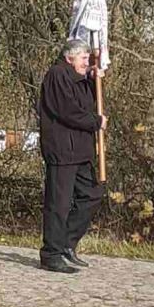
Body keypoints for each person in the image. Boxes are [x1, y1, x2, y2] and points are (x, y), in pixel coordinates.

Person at [38, 39, 106, 274]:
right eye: (83, 58)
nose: (87, 62)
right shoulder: (57, 75)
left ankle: (66, 242)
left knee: (92, 194)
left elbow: (88, 103)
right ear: (69, 58)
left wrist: (94, 81)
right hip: (63, 149)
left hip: (81, 151)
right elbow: (68, 111)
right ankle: (51, 253)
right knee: (59, 203)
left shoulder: (80, 79)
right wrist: (96, 122)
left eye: (88, 58)